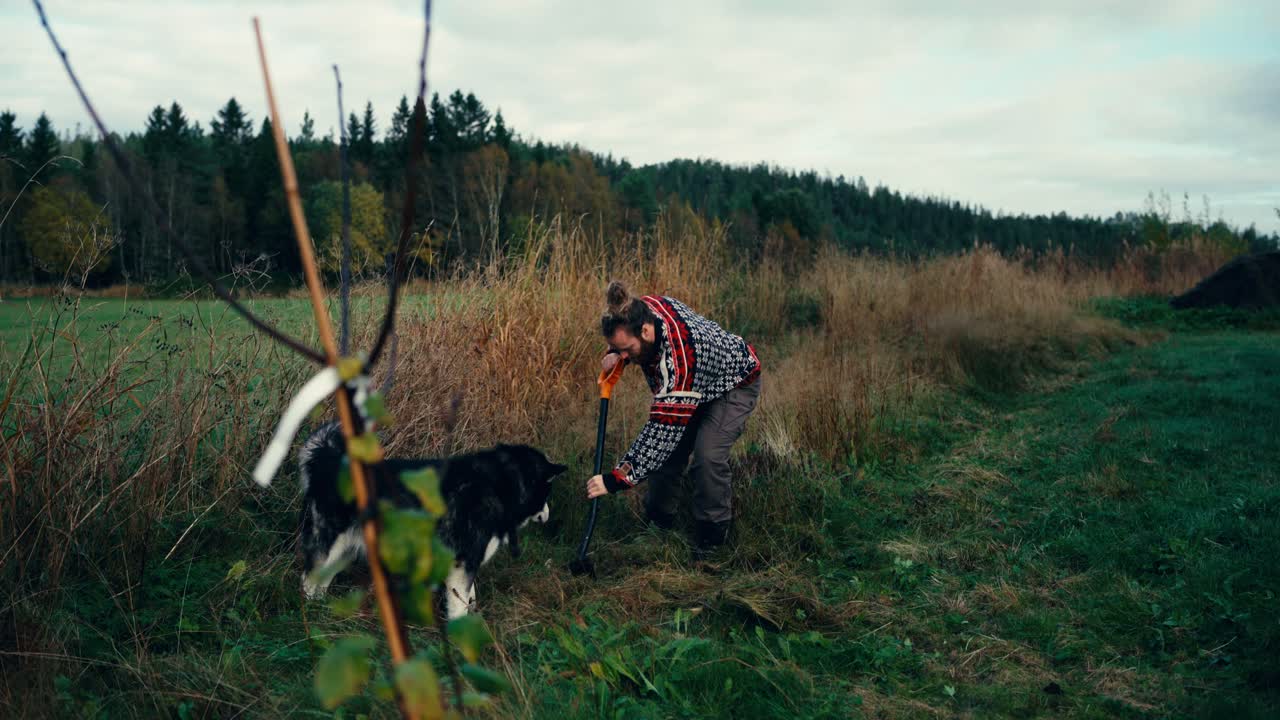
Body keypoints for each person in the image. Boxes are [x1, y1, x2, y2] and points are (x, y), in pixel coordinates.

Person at [585, 280, 762, 560]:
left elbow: (659, 438)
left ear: (644, 332)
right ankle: (659, 524)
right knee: (668, 459)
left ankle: (711, 539)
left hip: (733, 383)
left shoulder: (677, 364)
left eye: (626, 349)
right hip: (697, 383)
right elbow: (629, 341)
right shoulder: (638, 311)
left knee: (708, 456)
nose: (624, 356)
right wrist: (615, 354)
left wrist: (615, 479)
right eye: (617, 349)